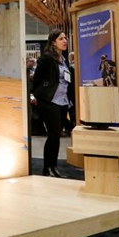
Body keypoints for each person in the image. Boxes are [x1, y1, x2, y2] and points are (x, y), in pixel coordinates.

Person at [31, 30, 71, 178]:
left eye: (65, 38)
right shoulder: (47, 58)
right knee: (53, 134)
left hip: (63, 102)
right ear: (53, 41)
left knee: (56, 136)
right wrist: (39, 95)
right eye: (61, 38)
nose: (65, 40)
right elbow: (36, 80)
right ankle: (48, 167)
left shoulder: (63, 59)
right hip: (50, 102)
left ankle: (53, 166)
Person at [62, 52, 77, 136]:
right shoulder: (78, 67)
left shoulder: (70, 68)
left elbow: (68, 81)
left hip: (70, 92)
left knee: (71, 110)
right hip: (74, 91)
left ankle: (71, 127)